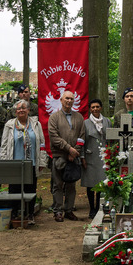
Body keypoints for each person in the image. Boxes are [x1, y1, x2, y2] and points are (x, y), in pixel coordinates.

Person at [0, 99, 46, 224]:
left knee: (30, 189)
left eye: (23, 108)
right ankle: (14, 213)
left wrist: (42, 161)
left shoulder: (36, 124)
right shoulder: (9, 125)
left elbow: (42, 144)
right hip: (14, 163)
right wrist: (4, 162)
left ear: (28, 110)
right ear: (15, 112)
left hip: (31, 163)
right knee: (14, 189)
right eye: (18, 109)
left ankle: (30, 214)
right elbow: (4, 145)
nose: (21, 110)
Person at [48, 90, 85, 222]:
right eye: (66, 98)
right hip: (59, 157)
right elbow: (54, 137)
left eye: (71, 99)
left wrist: (75, 150)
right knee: (58, 185)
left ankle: (69, 210)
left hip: (73, 157)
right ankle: (58, 211)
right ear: (61, 100)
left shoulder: (79, 117)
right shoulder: (54, 118)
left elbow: (82, 136)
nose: (69, 101)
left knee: (71, 185)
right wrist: (69, 149)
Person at [81, 98, 111, 219]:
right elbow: (82, 141)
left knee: (100, 183)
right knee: (90, 184)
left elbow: (110, 139)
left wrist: (111, 155)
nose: (95, 109)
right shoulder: (85, 123)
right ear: (90, 109)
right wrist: (82, 157)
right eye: (93, 107)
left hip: (104, 157)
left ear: (101, 108)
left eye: (97, 107)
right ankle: (91, 208)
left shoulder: (107, 121)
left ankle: (99, 207)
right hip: (90, 157)